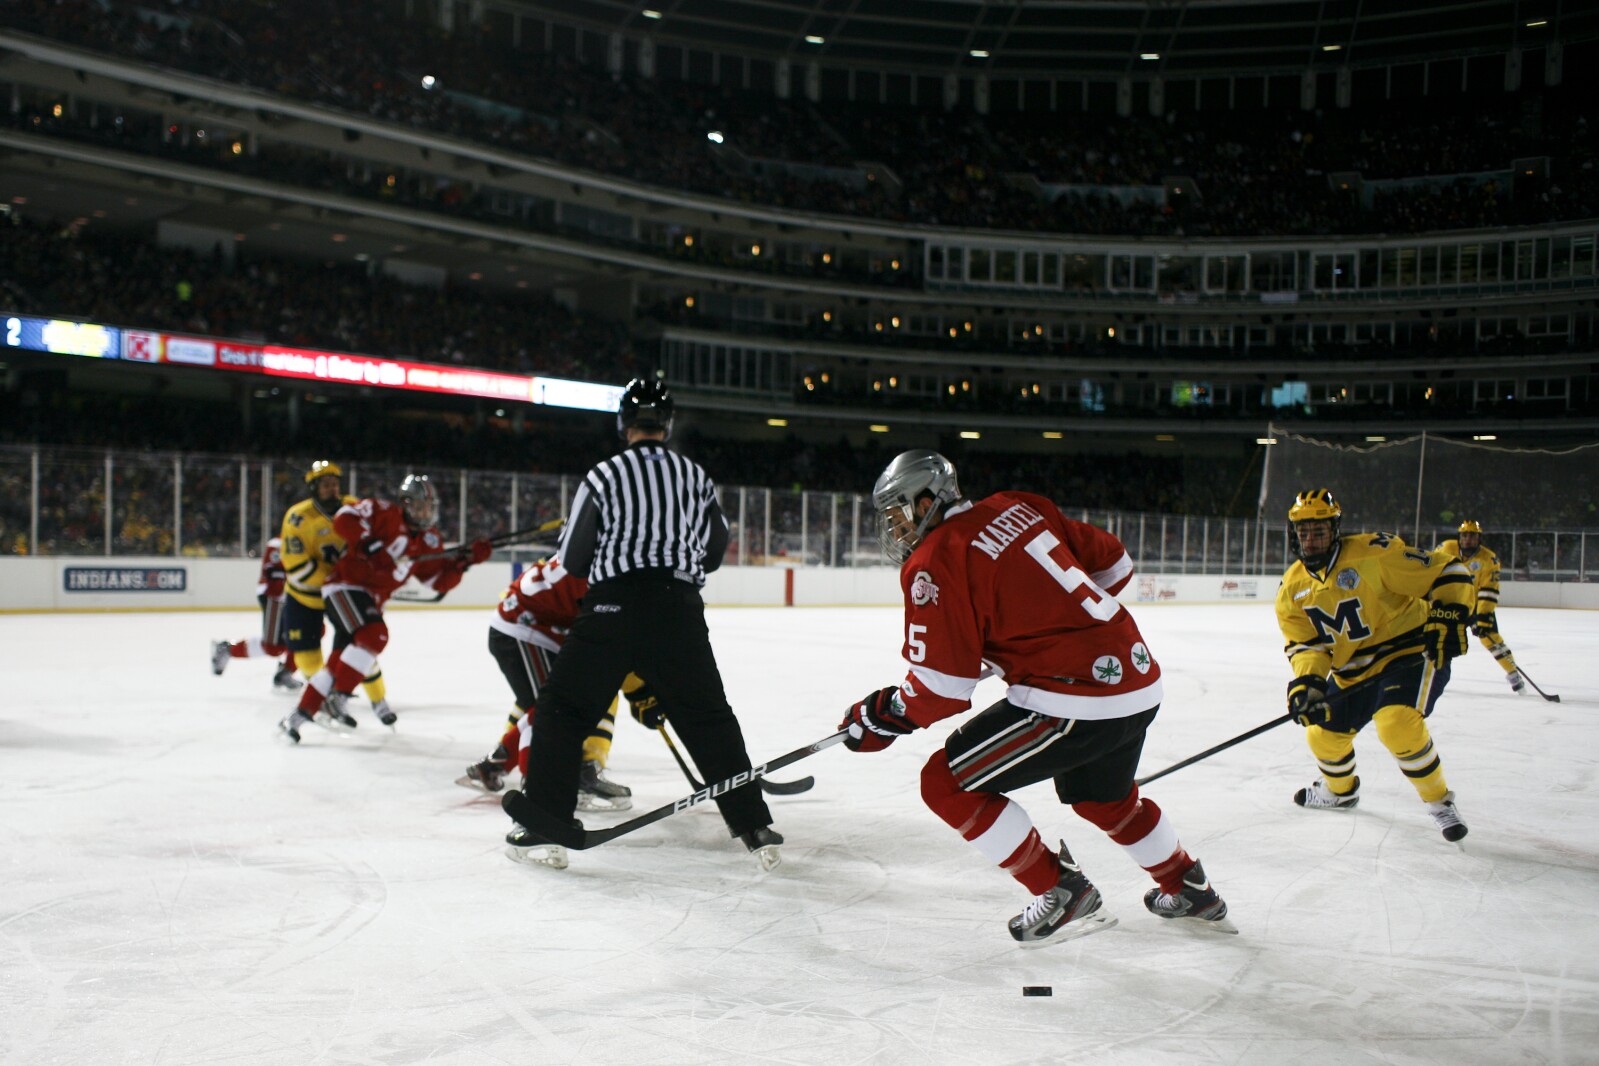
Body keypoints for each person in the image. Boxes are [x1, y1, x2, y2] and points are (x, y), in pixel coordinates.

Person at [838, 448, 1232, 949]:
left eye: (898, 514)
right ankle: (1188, 885)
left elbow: (940, 689)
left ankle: (1061, 892)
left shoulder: (935, 558)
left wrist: (881, 716)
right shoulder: (1019, 505)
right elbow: (1115, 565)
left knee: (944, 783)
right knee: (1102, 798)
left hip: (1071, 701)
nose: (894, 529)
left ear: (926, 501)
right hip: (1136, 678)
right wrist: (1046, 627)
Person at [501, 379, 780, 871]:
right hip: (679, 607)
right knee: (708, 717)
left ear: (623, 424)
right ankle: (755, 825)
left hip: (612, 606)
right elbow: (714, 550)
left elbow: (571, 557)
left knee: (564, 711)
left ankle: (544, 825)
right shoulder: (694, 476)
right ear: (667, 424)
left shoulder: (604, 475)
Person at [1276, 489, 1475, 842]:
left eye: (1319, 529)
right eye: (1303, 531)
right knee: (1321, 734)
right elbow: (1307, 645)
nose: (1311, 538)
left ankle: (1438, 802)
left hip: (1409, 653)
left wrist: (1450, 612)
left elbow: (1448, 571)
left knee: (1396, 723)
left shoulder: (1374, 554)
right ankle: (1340, 791)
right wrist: (1308, 682)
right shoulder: (1292, 587)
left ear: (1335, 528)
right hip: (1353, 669)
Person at [278, 473, 490, 742]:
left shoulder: (429, 539)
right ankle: (338, 699)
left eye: (429, 506)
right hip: (345, 587)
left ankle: (296, 717)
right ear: (405, 503)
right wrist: (370, 544)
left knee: (338, 662)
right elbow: (345, 517)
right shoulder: (383, 512)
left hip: (368, 600)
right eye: (421, 505)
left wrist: (464, 563)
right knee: (375, 635)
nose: (426, 512)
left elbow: (438, 582)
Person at [458, 554, 636, 811]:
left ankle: (495, 765)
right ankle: (537, 792)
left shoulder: (595, 554)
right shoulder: (608, 570)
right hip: (526, 630)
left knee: (563, 700)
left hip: (532, 628)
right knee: (551, 707)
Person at [279, 460, 391, 723]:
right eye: (325, 484)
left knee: (361, 645)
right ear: (313, 487)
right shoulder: (298, 517)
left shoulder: (353, 507)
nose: (332, 489)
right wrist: (337, 577)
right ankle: (325, 693)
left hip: (343, 593)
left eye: (335, 484)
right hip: (305, 596)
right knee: (307, 659)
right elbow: (295, 564)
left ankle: (378, 699)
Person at [1437, 520, 1525, 694]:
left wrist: (1483, 617)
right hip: (1450, 602)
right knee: (1437, 636)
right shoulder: (1445, 548)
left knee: (1491, 637)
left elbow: (1489, 589)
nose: (1468, 539)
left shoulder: (1489, 559)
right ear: (1459, 537)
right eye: (1464, 535)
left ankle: (1513, 673)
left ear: (1479, 537)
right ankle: (1431, 674)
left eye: (1472, 535)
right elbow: (1432, 573)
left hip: (1475, 605)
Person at [210, 535, 302, 692]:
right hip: (277, 598)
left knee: (307, 635)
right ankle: (227, 649)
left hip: (295, 598)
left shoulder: (308, 537)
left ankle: (287, 671)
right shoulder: (278, 544)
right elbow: (275, 576)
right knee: (275, 647)